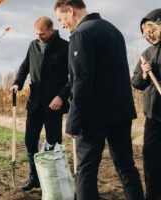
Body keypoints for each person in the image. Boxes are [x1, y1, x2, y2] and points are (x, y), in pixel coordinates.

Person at [53, 1, 145, 199]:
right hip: (121, 112)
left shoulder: (81, 34)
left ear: (70, 10)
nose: (61, 24)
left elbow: (81, 82)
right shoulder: (113, 30)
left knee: (86, 170)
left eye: (61, 19)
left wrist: (73, 122)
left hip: (93, 116)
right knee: (126, 166)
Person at [10, 16, 70, 191]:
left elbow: (73, 77)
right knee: (30, 142)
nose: (39, 37)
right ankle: (34, 177)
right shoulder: (33, 45)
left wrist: (61, 96)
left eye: (42, 34)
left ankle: (51, 181)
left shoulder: (65, 47)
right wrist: (17, 83)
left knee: (53, 144)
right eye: (36, 34)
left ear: (52, 30)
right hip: (35, 103)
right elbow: (24, 67)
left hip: (54, 105)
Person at [131, 8, 161, 200]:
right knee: (151, 159)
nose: (148, 36)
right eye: (145, 34)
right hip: (153, 116)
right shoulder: (147, 53)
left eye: (151, 31)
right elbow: (135, 82)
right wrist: (143, 74)